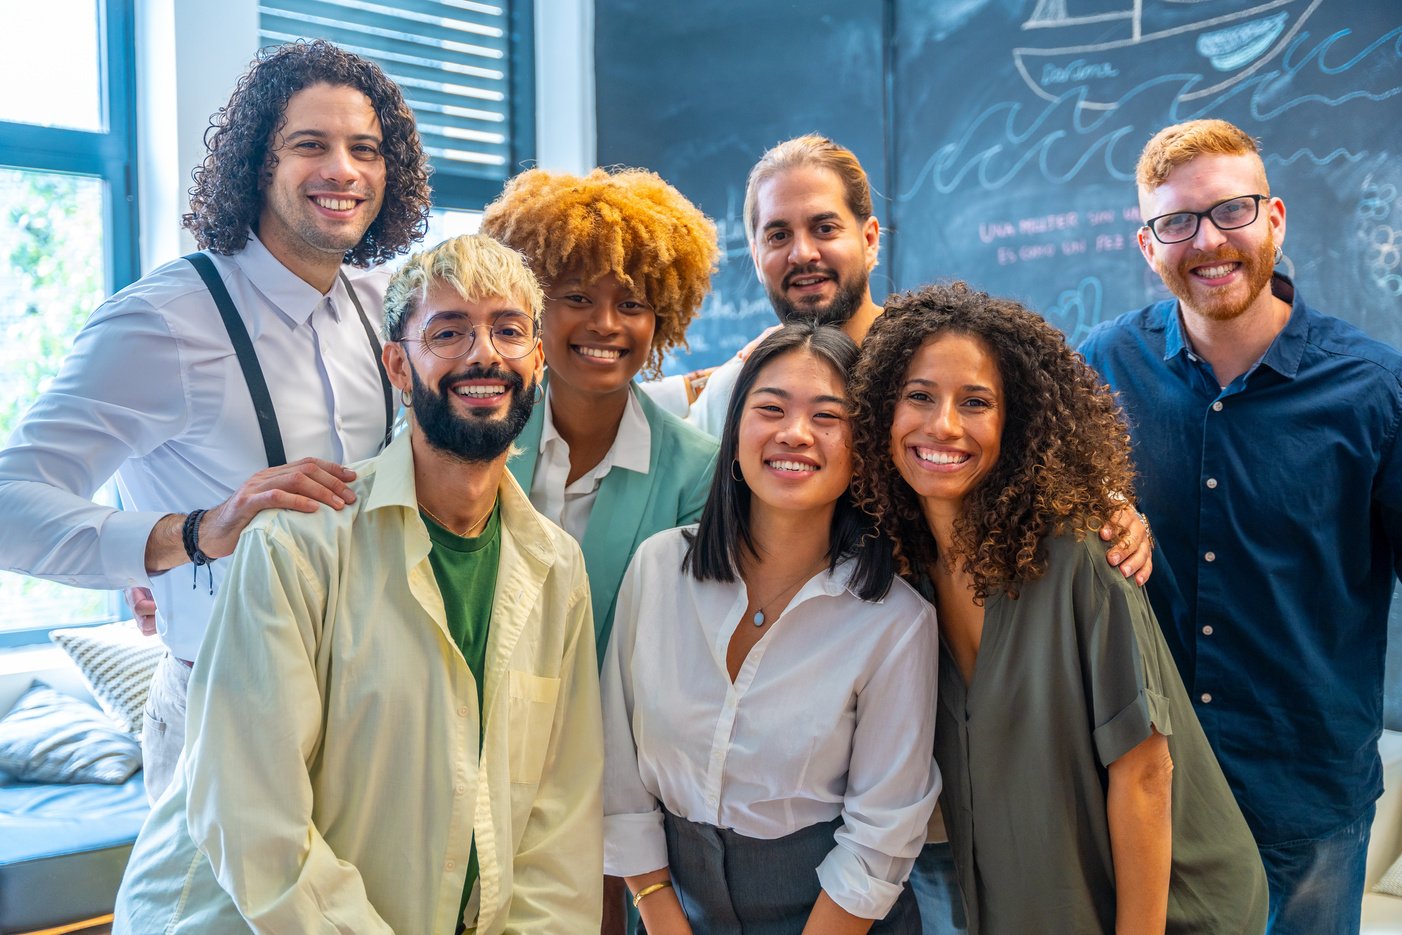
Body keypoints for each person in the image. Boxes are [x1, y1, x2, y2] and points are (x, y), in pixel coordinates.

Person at [112, 234, 603, 933]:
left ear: (538, 361)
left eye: (508, 330)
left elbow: (561, 821)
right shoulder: (300, 544)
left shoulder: (558, 569)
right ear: (398, 366)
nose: (483, 354)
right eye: (450, 332)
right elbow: (253, 814)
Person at [0, 39, 431, 800]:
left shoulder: (386, 308)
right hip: (223, 715)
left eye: (365, 149)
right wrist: (188, 535)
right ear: (256, 165)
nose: (344, 171)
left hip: (372, 714)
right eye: (310, 145)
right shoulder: (162, 321)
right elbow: (11, 504)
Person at [850, 281, 1267, 934]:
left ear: (1015, 420)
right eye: (919, 396)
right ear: (882, 410)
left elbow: (1146, 775)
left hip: (1172, 913)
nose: (944, 425)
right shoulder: (900, 569)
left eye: (976, 402)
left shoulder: (1080, 552)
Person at [1078, 118, 1402, 933]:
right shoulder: (1100, 368)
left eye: (1232, 211)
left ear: (1276, 219)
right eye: (1176, 222)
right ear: (1146, 245)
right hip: (1148, 785)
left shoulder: (1375, 389)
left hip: (1309, 794)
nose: (1208, 240)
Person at [603, 321, 939, 933]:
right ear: (734, 434)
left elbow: (880, 837)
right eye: (771, 409)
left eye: (828, 417)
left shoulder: (896, 622)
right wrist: (662, 915)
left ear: (862, 450)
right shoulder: (657, 568)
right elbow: (619, 772)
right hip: (670, 909)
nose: (794, 433)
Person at [479, 166, 721, 662]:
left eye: (631, 303)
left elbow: (683, 642)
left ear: (662, 318)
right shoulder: (476, 427)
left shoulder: (696, 471)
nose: (606, 324)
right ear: (531, 305)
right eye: (577, 298)